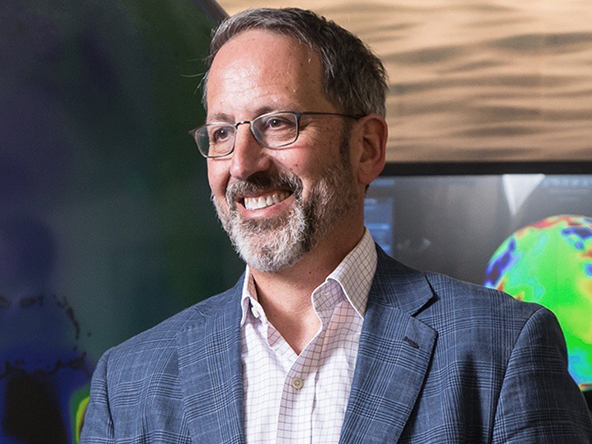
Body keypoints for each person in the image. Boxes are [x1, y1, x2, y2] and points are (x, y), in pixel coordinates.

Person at [80, 7, 592, 443]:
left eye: (277, 123)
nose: (242, 164)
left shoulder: (503, 348)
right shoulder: (126, 384)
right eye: (221, 132)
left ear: (366, 148)